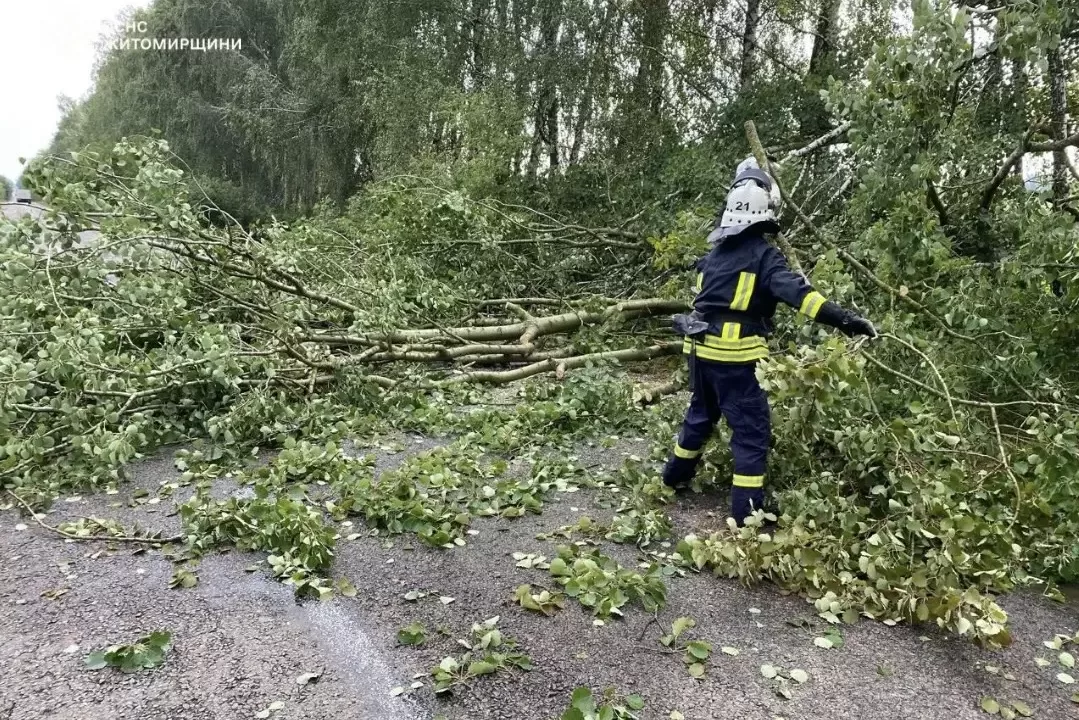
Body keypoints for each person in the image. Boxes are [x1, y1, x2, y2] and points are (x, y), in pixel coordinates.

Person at [663, 162, 877, 526]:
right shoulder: (764, 256)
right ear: (767, 210)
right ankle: (747, 513)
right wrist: (844, 320)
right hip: (736, 358)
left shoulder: (714, 254)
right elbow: (799, 295)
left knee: (700, 416)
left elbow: (701, 298)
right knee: (751, 433)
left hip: (699, 352)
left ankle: (673, 478)